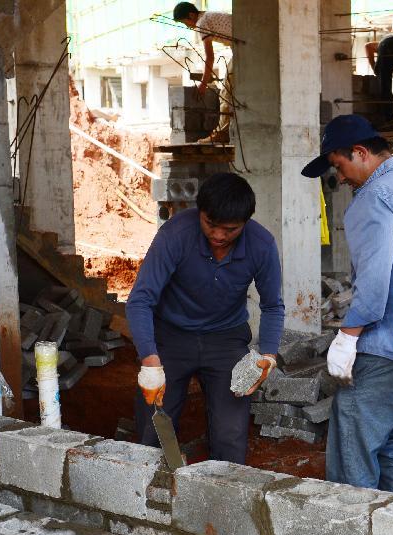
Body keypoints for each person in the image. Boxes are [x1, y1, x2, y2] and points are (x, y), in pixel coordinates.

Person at [301, 114, 393, 494]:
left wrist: (347, 336)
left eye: (339, 165)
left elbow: (375, 286)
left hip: (386, 345)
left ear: (360, 152)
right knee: (389, 444)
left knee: (353, 447)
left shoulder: (374, 197)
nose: (340, 178)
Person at [127, 173, 285, 465]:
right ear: (199, 212)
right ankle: (150, 496)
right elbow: (140, 300)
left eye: (230, 229)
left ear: (245, 223)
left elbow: (273, 306)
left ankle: (222, 498)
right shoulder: (176, 234)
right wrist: (149, 359)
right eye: (211, 224)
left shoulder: (261, 245)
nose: (219, 235)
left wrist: (269, 355)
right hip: (171, 336)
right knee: (153, 427)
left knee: (230, 433)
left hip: (226, 338)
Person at [173, 2, 234, 142]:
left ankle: (222, 134)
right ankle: (224, 130)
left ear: (191, 15)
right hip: (243, 45)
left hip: (244, 48)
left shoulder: (201, 23)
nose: (187, 26)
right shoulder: (208, 17)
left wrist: (203, 84)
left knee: (227, 92)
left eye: (185, 22)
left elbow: (210, 57)